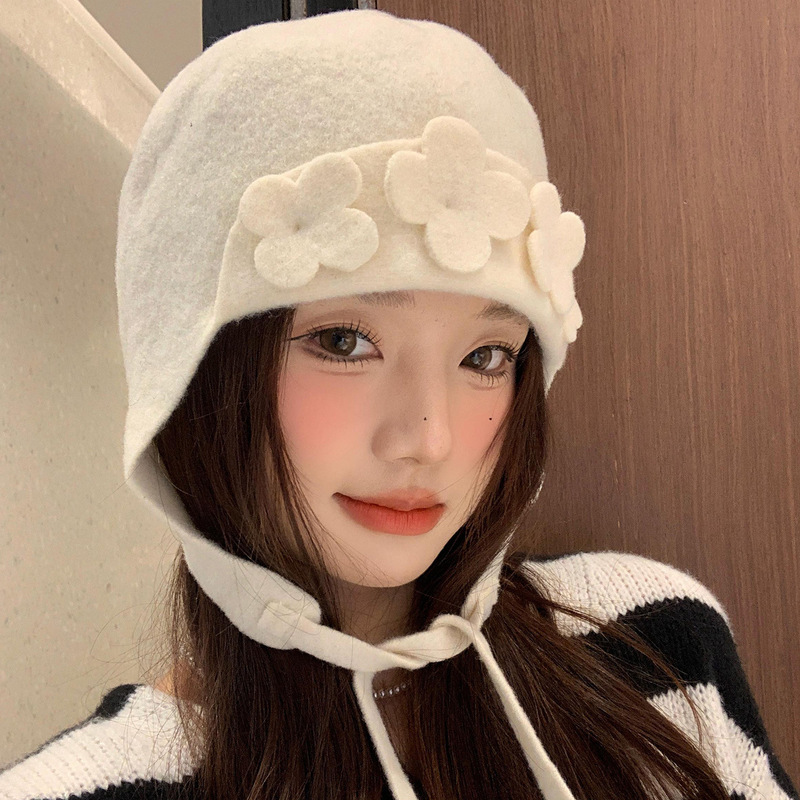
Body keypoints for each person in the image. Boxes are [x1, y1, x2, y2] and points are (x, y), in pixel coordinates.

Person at [1, 8, 796, 800]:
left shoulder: (658, 647)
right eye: (345, 341)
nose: (429, 437)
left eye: (485, 356)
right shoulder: (87, 789)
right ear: (194, 369)